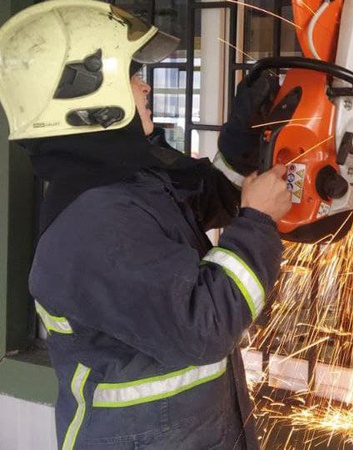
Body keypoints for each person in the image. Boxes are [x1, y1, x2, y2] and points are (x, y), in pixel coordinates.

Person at [0, 1, 290, 449]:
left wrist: (243, 133)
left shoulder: (122, 179)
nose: (145, 86)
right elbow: (206, 325)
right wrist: (257, 222)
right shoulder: (93, 223)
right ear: (88, 99)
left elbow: (208, 200)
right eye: (132, 75)